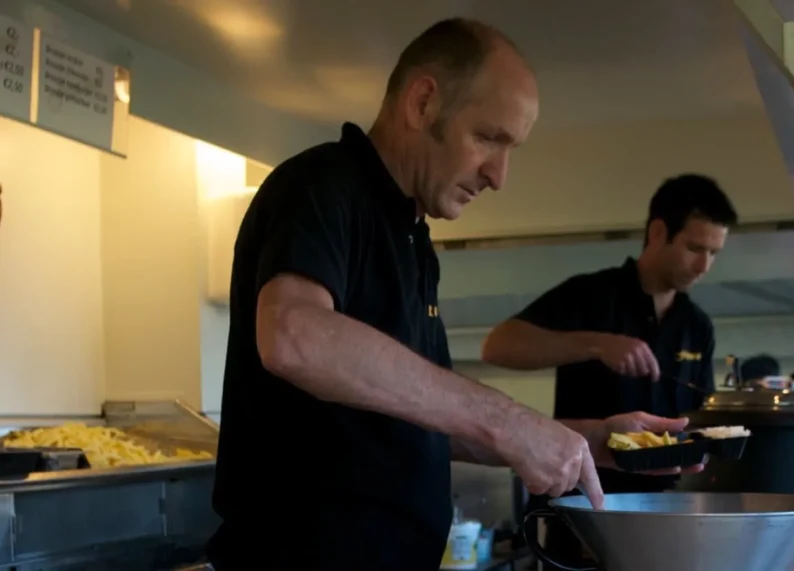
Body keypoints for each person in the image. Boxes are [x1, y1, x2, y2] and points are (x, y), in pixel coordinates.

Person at [206, 18, 621, 570]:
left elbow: (430, 415)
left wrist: (581, 440)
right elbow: (293, 336)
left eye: (511, 148)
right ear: (423, 103)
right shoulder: (320, 185)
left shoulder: (413, 239)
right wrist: (506, 422)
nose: (499, 175)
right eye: (488, 138)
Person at [482, 174, 738, 566]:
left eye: (714, 253)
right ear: (658, 232)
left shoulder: (698, 326)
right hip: (584, 508)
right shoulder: (591, 295)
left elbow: (700, 415)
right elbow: (498, 346)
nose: (704, 265)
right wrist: (594, 344)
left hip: (665, 513)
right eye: (694, 248)